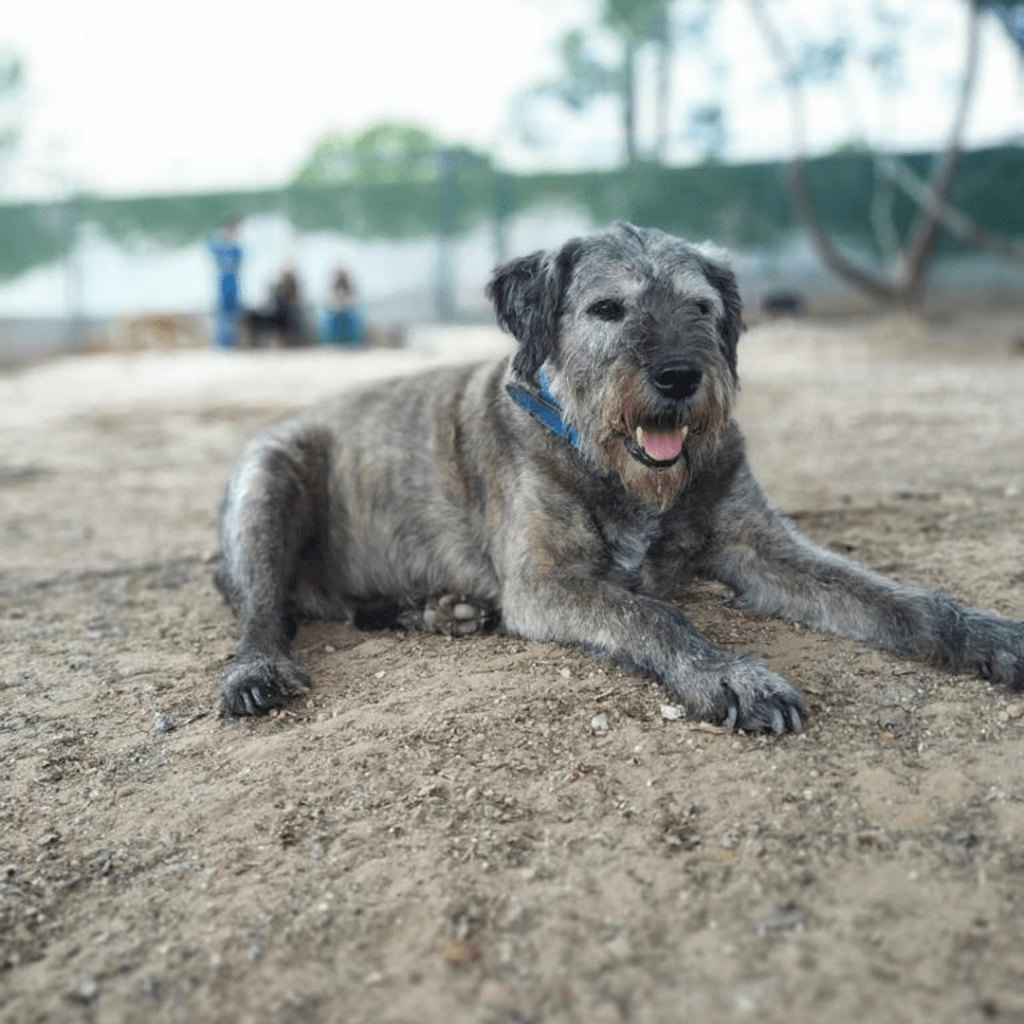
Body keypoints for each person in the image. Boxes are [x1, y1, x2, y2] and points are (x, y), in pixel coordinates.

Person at [207, 219, 243, 348]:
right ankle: (222, 343)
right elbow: (210, 247)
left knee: (233, 311)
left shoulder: (236, 246)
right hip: (224, 281)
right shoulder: (219, 244)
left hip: (233, 281)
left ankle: (232, 341)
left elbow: (239, 261)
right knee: (222, 311)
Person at [321, 267, 367, 347]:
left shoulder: (349, 285)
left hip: (347, 312)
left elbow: (354, 296)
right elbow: (328, 298)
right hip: (336, 312)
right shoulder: (334, 285)